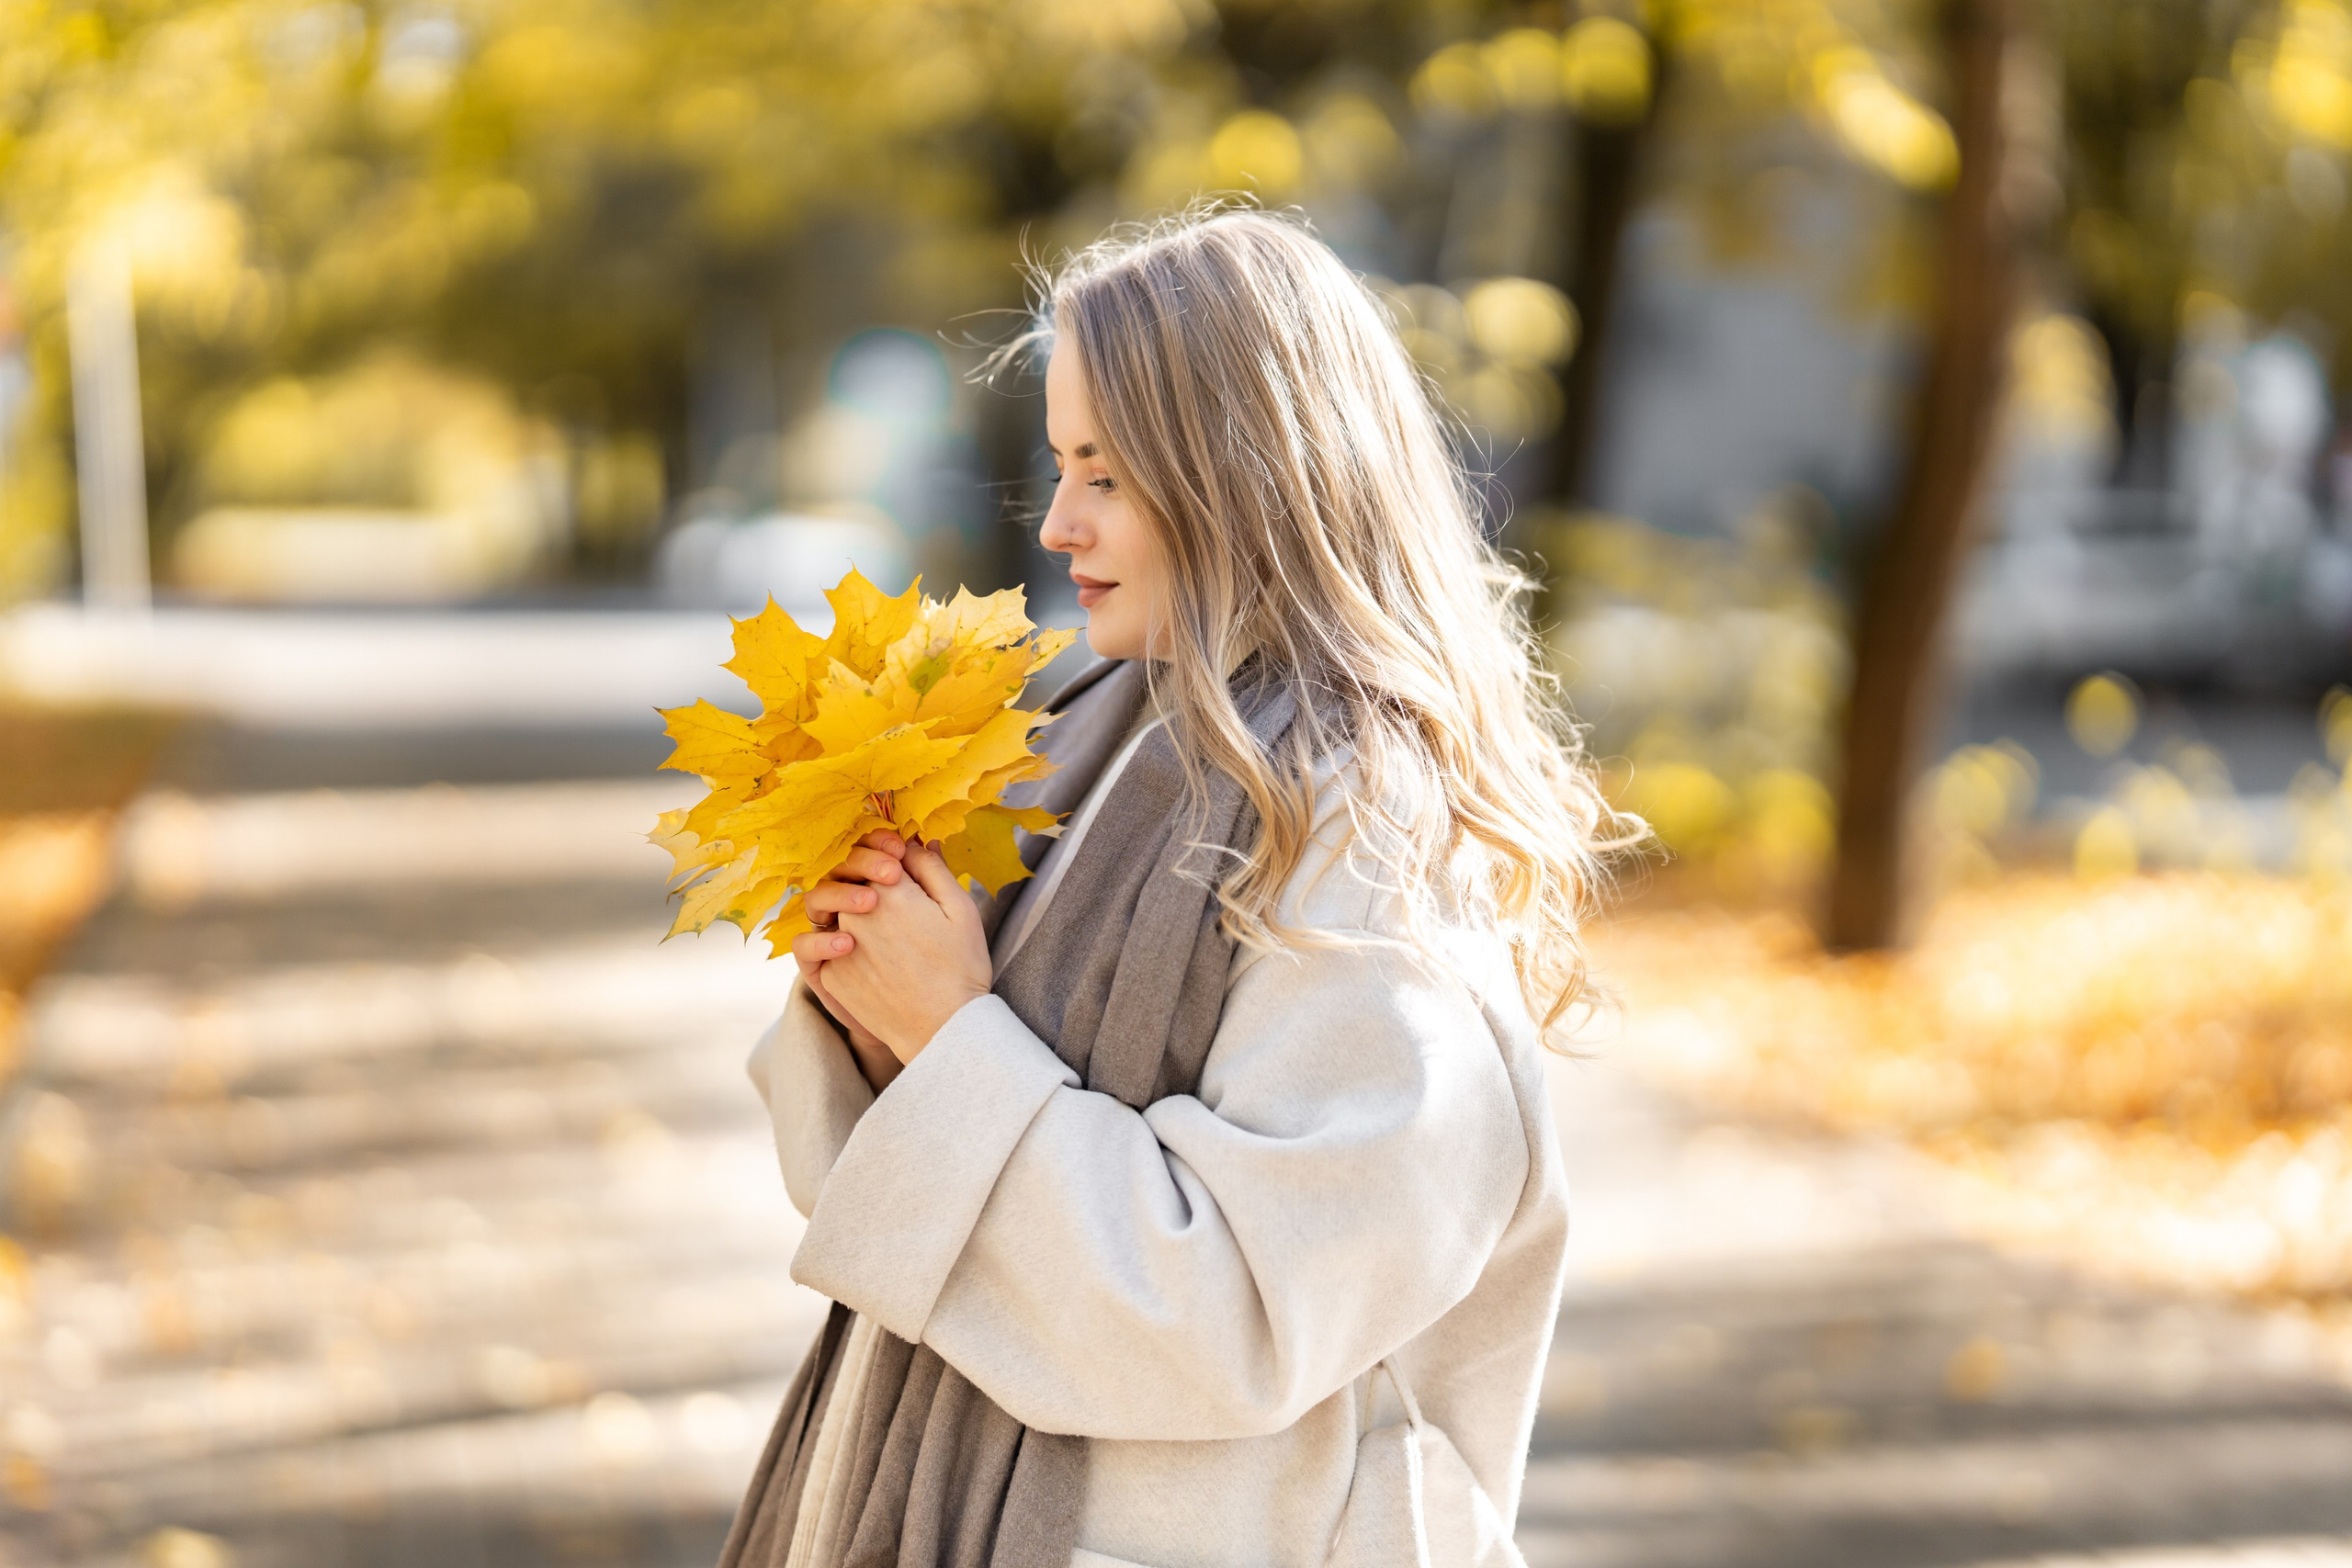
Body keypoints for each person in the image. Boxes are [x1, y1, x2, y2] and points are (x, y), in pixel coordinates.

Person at [720, 209, 1623, 1568]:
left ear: (1248, 477)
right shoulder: (1093, 737)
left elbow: (1244, 1310)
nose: (1062, 520)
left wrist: (949, 1039)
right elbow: (912, 1207)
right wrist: (877, 1014)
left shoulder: (1367, 828)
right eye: (1061, 465)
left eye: (1109, 475)